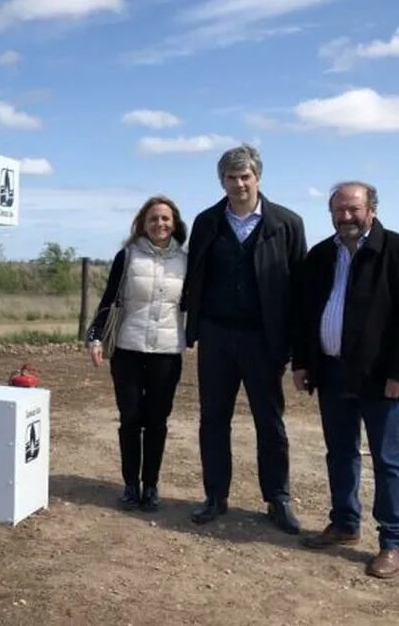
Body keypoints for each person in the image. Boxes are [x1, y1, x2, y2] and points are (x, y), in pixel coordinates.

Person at [183, 144, 306, 533]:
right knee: (213, 420)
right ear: (221, 181)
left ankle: (278, 499)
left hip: (263, 339)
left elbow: (299, 289)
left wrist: (293, 345)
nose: (239, 184)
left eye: (245, 176)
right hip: (217, 336)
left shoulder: (286, 223)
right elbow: (194, 276)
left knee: (270, 422)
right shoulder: (206, 222)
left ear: (258, 178)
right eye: (231, 178)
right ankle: (215, 496)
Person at [294, 182, 399, 579]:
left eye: (353, 209)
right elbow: (306, 315)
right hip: (333, 371)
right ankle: (344, 523)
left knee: (389, 461)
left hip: (379, 378)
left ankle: (392, 542)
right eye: (338, 210)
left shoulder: (394, 251)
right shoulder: (321, 255)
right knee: (340, 452)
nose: (345, 217)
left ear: (372, 208)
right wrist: (303, 363)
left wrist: (397, 374)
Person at [86, 195, 187, 512]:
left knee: (157, 421)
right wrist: (95, 337)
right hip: (128, 350)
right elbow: (109, 298)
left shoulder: (186, 260)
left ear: (175, 223)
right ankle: (131, 485)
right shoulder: (127, 256)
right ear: (143, 224)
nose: (160, 224)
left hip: (167, 353)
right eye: (154, 219)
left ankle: (151, 486)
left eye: (166, 219)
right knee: (130, 419)